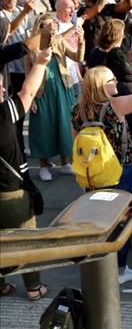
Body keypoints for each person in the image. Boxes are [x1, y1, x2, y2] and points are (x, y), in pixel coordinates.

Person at [71, 52, 132, 284]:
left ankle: (100, 265)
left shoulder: (77, 111)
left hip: (93, 177)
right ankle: (119, 270)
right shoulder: (114, 106)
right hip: (120, 172)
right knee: (122, 223)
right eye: (111, 81)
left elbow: (75, 145)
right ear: (101, 86)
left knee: (99, 222)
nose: (116, 83)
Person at [0, 44, 51, 301]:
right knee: (26, 240)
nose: (3, 89)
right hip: (11, 195)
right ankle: (33, 287)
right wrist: (41, 62)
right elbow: (28, 92)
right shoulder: (3, 115)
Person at [27, 14, 84, 181]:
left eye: (53, 27)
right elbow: (27, 74)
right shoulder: (30, 46)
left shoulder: (59, 41)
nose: (51, 31)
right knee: (43, 127)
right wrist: (31, 98)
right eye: (46, 27)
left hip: (62, 87)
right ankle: (43, 166)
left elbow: (77, 58)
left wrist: (81, 44)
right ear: (39, 29)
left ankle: (65, 163)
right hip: (41, 91)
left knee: (64, 125)